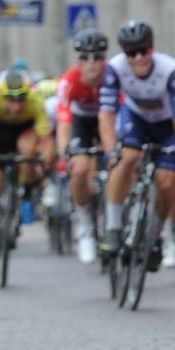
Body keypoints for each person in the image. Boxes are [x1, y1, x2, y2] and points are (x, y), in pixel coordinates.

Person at [98, 20, 175, 270]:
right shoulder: (114, 68)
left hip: (166, 124)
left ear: (152, 48)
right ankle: (114, 227)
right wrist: (110, 148)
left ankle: (156, 233)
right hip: (136, 119)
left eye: (143, 50)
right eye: (131, 53)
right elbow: (106, 113)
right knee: (125, 158)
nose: (138, 58)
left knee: (167, 181)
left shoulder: (170, 69)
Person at [0, 66, 51, 273]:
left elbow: (46, 140)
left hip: (25, 135)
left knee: (27, 150)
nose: (16, 105)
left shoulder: (35, 101)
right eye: (11, 100)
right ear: (2, 95)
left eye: (21, 98)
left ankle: (28, 195)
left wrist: (45, 163)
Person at [55, 30, 109, 263]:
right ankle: (85, 223)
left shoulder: (113, 77)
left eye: (97, 57)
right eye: (85, 58)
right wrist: (66, 152)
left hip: (108, 119)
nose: (91, 64)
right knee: (78, 170)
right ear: (78, 61)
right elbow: (64, 121)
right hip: (82, 123)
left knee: (124, 162)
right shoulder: (69, 80)